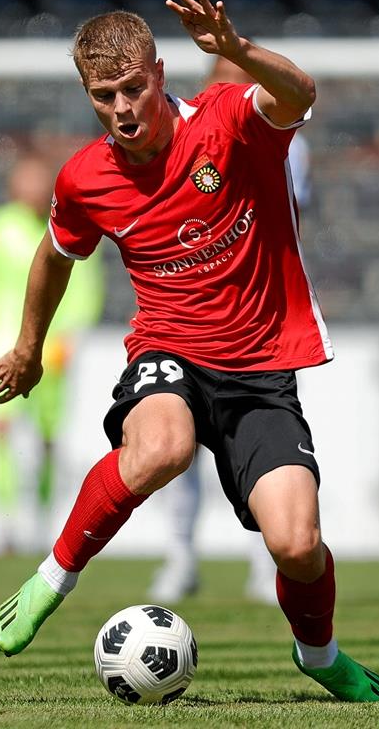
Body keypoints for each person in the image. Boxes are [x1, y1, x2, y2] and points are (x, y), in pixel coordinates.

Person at [0, 0, 379, 702]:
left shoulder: (229, 120)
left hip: (260, 368)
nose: (123, 108)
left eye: (133, 88)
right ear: (88, 95)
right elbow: (54, 254)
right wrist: (27, 347)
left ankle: (320, 655)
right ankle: (54, 575)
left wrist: (236, 52)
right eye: (104, 96)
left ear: (161, 73)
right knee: (162, 449)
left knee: (295, 544)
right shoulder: (85, 177)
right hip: (167, 352)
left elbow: (300, 94)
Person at [148, 51, 314, 607]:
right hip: (185, 327)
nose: (226, 93)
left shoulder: (281, 135)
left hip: (256, 327)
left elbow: (284, 209)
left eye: (237, 83)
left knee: (261, 453)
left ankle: (263, 563)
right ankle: (180, 557)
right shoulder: (176, 132)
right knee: (177, 450)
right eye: (218, 84)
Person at [0, 155, 104, 554]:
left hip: (51, 352)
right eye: (29, 181)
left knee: (47, 441)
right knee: (0, 434)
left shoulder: (64, 224)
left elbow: (86, 287)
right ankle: (3, 524)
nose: (36, 189)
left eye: (42, 182)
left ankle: (43, 522)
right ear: (15, 185)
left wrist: (73, 335)